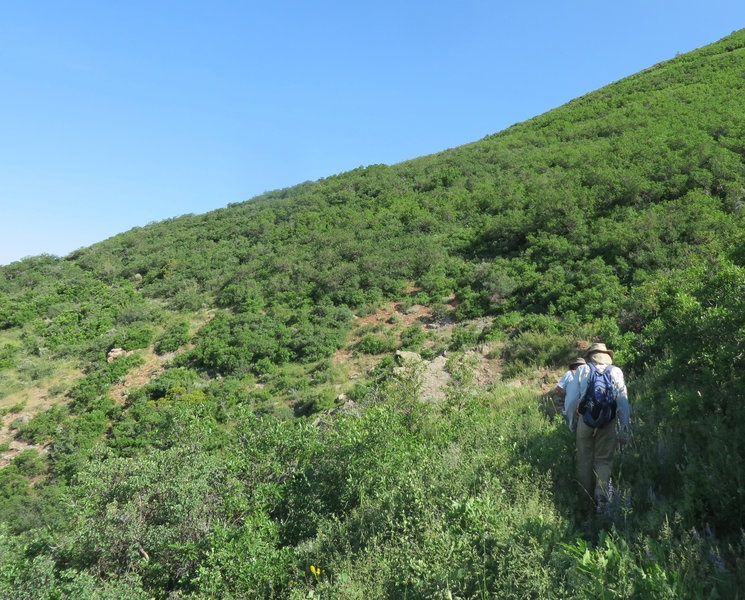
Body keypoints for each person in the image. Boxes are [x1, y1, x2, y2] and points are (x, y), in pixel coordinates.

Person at [564, 342, 630, 509]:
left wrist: (572, 421)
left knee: (584, 460)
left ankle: (584, 501)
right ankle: (601, 499)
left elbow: (572, 401)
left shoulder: (582, 370)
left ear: (590, 356)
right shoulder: (615, 371)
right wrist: (624, 427)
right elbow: (622, 402)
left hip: (585, 422)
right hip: (608, 423)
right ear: (607, 356)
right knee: (603, 461)